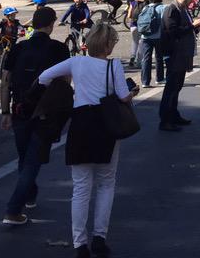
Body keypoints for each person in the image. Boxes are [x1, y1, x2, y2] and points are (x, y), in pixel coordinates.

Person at [39, 24, 138, 258]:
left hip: (81, 124)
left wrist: (68, 88)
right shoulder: (113, 65)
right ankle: (99, 238)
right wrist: (134, 92)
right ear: (108, 44)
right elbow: (123, 96)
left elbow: (44, 77)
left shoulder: (76, 62)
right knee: (106, 182)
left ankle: (79, 243)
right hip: (106, 125)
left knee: (81, 187)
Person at [0, 5, 71, 225]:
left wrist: (5, 111)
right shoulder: (59, 49)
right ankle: (13, 209)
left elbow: (5, 82)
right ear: (51, 25)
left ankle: (30, 194)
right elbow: (65, 82)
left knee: (25, 158)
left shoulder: (19, 48)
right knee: (33, 161)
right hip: (45, 112)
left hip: (19, 109)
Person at [158, 0, 197, 132]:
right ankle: (165, 119)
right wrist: (192, 27)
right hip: (174, 54)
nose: (192, 1)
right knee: (171, 88)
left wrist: (194, 28)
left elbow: (184, 27)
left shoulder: (183, 9)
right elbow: (172, 31)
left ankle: (174, 115)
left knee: (177, 87)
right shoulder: (172, 9)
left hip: (182, 53)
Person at [137, 0, 165, 88]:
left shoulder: (146, 7)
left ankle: (145, 81)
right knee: (159, 58)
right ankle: (159, 78)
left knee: (146, 59)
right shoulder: (163, 8)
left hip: (145, 36)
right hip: (158, 36)